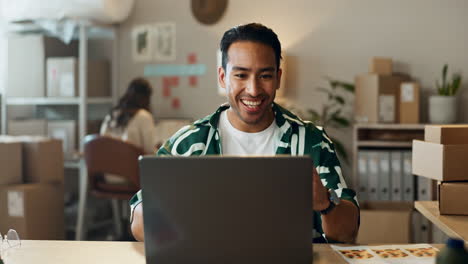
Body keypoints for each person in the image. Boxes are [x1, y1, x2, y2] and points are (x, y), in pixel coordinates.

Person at [129, 23, 359, 243]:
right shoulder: (190, 143)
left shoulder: (311, 141)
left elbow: (348, 232)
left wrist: (325, 204)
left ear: (278, 78)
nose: (253, 89)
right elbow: (138, 223)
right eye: (241, 75)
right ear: (222, 77)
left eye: (265, 76)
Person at [100, 77, 157, 184]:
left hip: (107, 175)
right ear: (147, 97)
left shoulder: (111, 115)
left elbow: (102, 144)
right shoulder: (144, 116)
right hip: (132, 176)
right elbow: (149, 151)